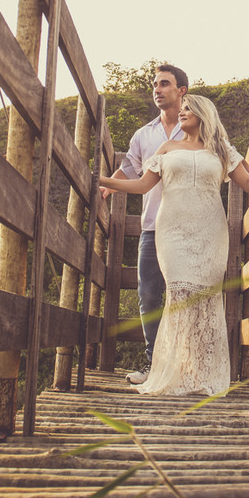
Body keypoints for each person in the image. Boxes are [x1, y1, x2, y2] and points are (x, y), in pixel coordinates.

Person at [100, 94, 249, 396]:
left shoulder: (222, 150)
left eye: (188, 109)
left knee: (205, 297)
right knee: (179, 292)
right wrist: (105, 181)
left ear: (203, 114)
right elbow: (142, 186)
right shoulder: (167, 148)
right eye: (182, 108)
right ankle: (175, 370)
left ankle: (200, 373)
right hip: (171, 231)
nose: (182, 112)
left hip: (210, 231)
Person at [100, 65, 189, 384]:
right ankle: (155, 367)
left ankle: (186, 369)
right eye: (155, 84)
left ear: (181, 91)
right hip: (152, 228)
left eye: (165, 84)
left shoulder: (196, 127)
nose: (157, 88)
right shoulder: (144, 134)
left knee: (185, 296)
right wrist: (108, 186)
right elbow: (129, 169)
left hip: (188, 229)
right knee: (149, 296)